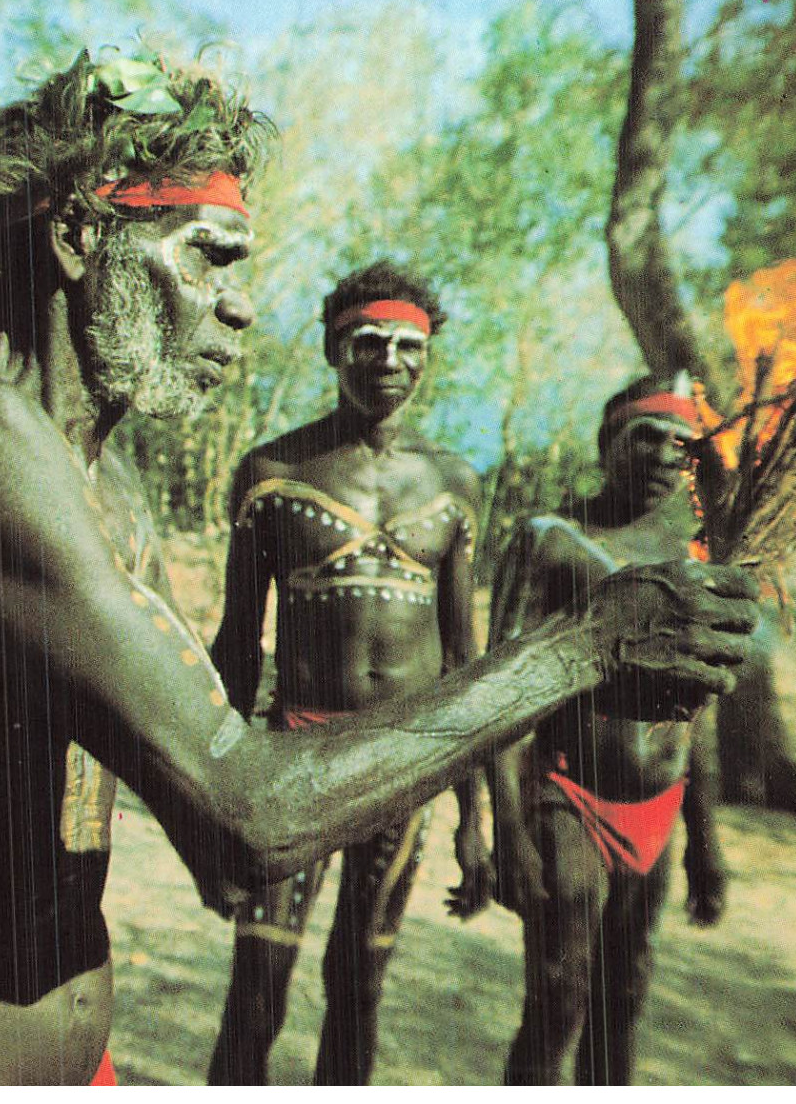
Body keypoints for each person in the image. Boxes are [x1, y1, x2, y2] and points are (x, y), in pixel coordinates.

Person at [0, 51, 759, 1085]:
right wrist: (578, 648)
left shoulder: (103, 483)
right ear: (73, 241)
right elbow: (248, 816)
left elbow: (174, 788)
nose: (237, 307)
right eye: (207, 257)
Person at [204, 261, 489, 1085]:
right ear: (334, 351)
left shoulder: (454, 485)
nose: (389, 362)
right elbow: (235, 644)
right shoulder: (273, 475)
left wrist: (475, 818)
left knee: (359, 985)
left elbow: (464, 662)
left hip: (404, 770)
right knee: (258, 988)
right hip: (295, 759)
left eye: (408, 346)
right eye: (368, 343)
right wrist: (216, 797)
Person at [489, 375, 727, 1085]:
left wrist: (705, 844)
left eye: (678, 442)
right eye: (643, 436)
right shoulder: (553, 540)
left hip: (658, 807)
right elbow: (496, 698)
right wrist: (506, 826)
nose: (661, 454)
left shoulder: (699, 560)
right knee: (559, 994)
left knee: (625, 995)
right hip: (569, 793)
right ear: (608, 444)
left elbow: (698, 715)